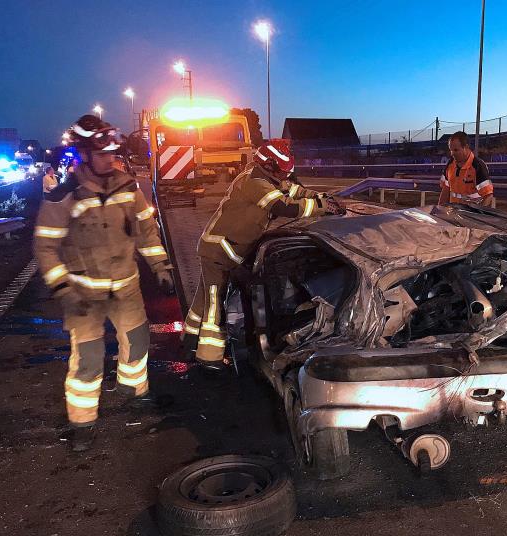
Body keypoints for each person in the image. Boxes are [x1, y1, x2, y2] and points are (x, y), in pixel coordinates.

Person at [34, 114, 175, 452]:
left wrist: (160, 265)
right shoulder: (65, 194)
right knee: (88, 356)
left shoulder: (128, 187)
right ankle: (82, 423)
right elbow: (46, 245)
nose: (109, 160)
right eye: (102, 155)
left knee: (138, 343)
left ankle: (134, 395)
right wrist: (63, 289)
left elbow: (145, 230)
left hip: (126, 286)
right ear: (84, 154)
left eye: (112, 154)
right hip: (83, 293)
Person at [182, 140, 343, 372]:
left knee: (203, 298)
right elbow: (283, 206)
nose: (286, 176)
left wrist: (322, 197)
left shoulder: (267, 178)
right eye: (282, 170)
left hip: (222, 248)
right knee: (214, 305)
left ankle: (188, 341)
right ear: (269, 165)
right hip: (219, 250)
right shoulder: (256, 183)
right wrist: (321, 207)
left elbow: (294, 191)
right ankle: (210, 357)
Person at [439, 131, 494, 208]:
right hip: (453, 213)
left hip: (469, 216)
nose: (452, 153)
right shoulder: (450, 164)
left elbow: (488, 196)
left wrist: (476, 213)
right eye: (450, 150)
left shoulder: (477, 166)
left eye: (456, 150)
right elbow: (445, 189)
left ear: (466, 147)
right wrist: (439, 210)